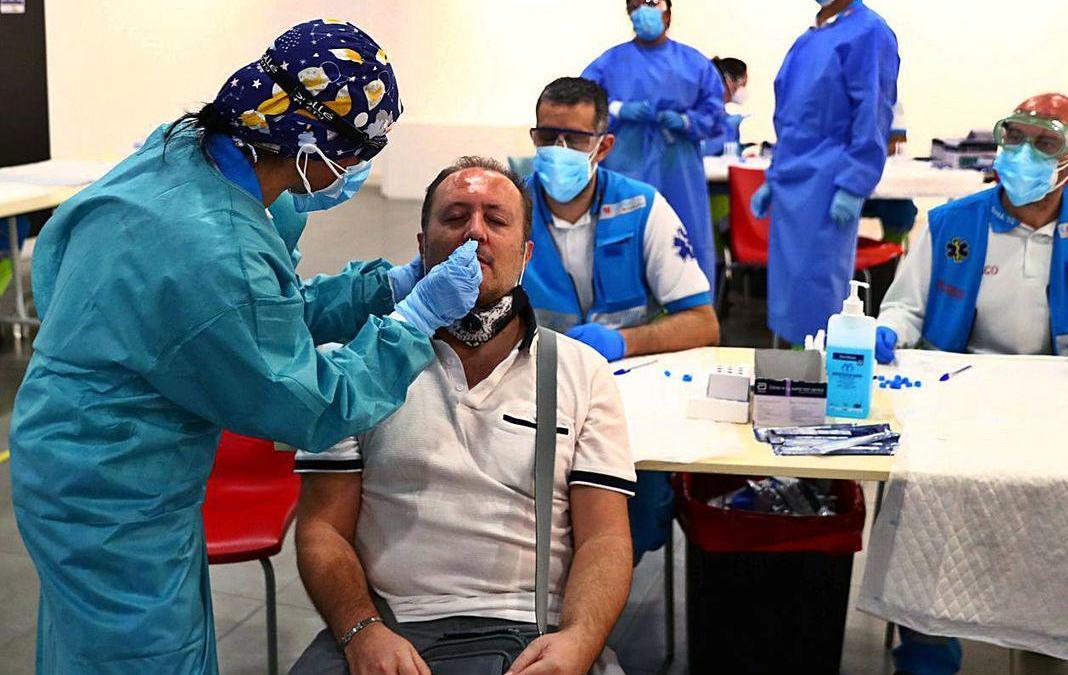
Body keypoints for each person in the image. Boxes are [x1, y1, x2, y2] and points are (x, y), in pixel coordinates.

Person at [8, 20, 481, 674]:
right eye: (358, 152)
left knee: (84, 649)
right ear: (317, 145)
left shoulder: (180, 153)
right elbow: (314, 403)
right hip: (114, 495)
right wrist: (416, 317)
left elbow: (245, 322)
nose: (356, 171)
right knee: (142, 657)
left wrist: (382, 288)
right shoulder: (219, 247)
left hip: (70, 448)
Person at [289, 157, 635, 675]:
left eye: (496, 220)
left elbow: (605, 538)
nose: (475, 233)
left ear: (525, 255)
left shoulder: (580, 372)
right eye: (454, 218)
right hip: (390, 625)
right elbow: (322, 528)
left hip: (533, 630)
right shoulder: (356, 367)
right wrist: (362, 631)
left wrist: (579, 642)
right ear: (422, 247)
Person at [875, 93, 1068, 675]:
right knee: (925, 520)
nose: (1023, 153)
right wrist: (887, 333)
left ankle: (1051, 643)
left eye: (1045, 143)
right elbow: (906, 311)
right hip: (960, 409)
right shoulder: (949, 224)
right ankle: (925, 647)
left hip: (1064, 417)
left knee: (1060, 536)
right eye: (1014, 137)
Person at [522, 76, 719, 562]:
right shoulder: (508, 209)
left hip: (623, 395)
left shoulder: (643, 206)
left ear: (604, 145)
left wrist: (622, 341)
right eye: (547, 136)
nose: (559, 149)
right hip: (530, 388)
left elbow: (702, 322)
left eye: (575, 139)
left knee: (638, 519)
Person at [751, 0, 899, 345]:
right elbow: (790, 118)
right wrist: (774, 177)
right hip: (791, 185)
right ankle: (790, 378)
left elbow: (873, 113)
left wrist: (855, 182)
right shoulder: (809, 39)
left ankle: (822, 382)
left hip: (828, 186)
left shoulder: (868, 31)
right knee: (787, 297)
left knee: (817, 295)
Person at [582, 0, 726, 288]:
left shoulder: (695, 64)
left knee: (684, 246)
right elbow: (582, 107)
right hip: (625, 172)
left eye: (649, 2)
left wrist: (686, 122)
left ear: (668, 13)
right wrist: (617, 109)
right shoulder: (609, 64)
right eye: (635, 5)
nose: (642, 10)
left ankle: (691, 317)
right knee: (625, 245)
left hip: (679, 177)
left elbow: (715, 116)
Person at [861, 101, 919, 245]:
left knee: (901, 209)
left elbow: (897, 142)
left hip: (869, 177)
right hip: (826, 179)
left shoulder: (884, 89)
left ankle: (891, 260)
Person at [701, 56, 749, 157]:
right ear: (729, 81)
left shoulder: (723, 115)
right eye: (742, 84)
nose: (743, 89)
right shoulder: (704, 106)